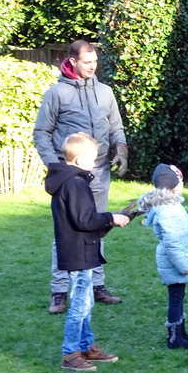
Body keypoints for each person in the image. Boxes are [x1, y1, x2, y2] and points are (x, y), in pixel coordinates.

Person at [34, 40, 129, 314]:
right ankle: (59, 291)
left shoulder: (105, 92)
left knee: (98, 228)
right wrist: (56, 165)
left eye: (95, 61)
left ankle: (97, 286)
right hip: (70, 177)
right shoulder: (57, 94)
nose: (92, 66)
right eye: (87, 62)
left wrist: (121, 149)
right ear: (72, 61)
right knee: (65, 233)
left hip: (98, 172)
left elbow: (116, 127)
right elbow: (41, 132)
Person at [45, 132, 130, 371]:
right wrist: (111, 218)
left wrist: (109, 221)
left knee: (87, 302)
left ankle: (86, 346)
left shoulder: (70, 181)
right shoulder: (74, 183)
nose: (94, 164)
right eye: (92, 160)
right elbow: (85, 220)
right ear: (80, 160)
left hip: (82, 249)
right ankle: (70, 354)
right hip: (78, 253)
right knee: (80, 305)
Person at [136, 163, 188, 350]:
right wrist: (184, 265)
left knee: (178, 296)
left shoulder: (171, 205)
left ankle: (181, 332)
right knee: (175, 298)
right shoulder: (169, 210)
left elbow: (183, 238)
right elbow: (173, 243)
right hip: (174, 261)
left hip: (178, 258)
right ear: (175, 185)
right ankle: (174, 338)